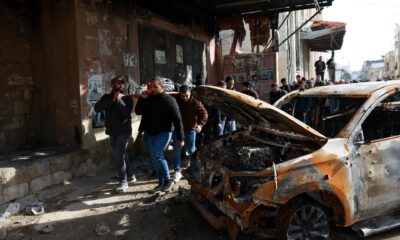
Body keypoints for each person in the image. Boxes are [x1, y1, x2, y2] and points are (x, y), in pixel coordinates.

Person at [135, 77, 184, 193]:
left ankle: (168, 180)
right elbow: (139, 112)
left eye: (155, 86)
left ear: (162, 87)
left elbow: (178, 120)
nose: (152, 88)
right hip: (149, 133)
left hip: (164, 132)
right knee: (153, 158)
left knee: (157, 154)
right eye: (151, 86)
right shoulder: (148, 98)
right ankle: (161, 182)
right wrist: (142, 98)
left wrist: (181, 138)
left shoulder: (170, 100)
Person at [94, 76, 136, 193]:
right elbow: (97, 108)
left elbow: (126, 113)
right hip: (112, 132)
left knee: (119, 155)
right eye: (117, 83)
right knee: (122, 155)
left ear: (124, 85)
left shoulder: (127, 98)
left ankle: (123, 181)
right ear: (112, 85)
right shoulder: (106, 97)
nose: (120, 85)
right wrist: (112, 100)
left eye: (122, 83)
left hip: (124, 131)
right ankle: (131, 176)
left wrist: (119, 100)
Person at [172, 85, 208, 181]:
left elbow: (204, 114)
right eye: (182, 96)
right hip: (177, 129)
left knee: (191, 149)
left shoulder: (196, 102)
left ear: (190, 93)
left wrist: (200, 125)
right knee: (177, 148)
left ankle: (194, 167)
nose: (184, 98)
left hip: (190, 129)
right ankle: (177, 170)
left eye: (186, 95)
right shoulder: (175, 99)